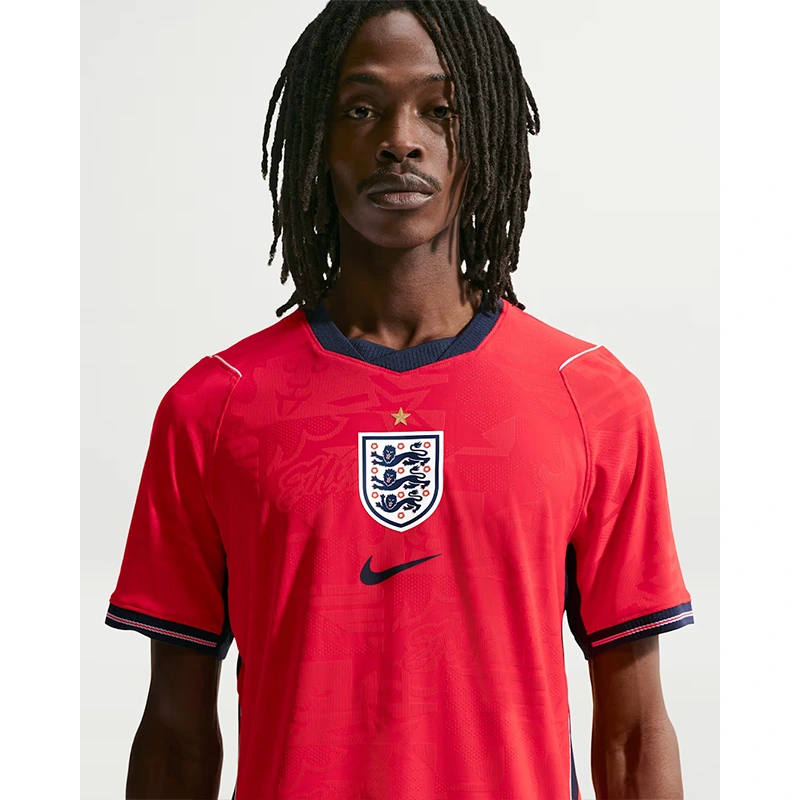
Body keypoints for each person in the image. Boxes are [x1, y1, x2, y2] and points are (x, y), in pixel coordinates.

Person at [105, 1, 695, 798]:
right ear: (317, 141)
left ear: (486, 137)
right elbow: (176, 738)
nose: (400, 139)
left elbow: (631, 733)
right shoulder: (214, 408)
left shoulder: (591, 398)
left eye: (440, 110)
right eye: (361, 109)